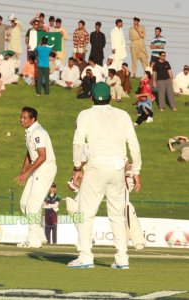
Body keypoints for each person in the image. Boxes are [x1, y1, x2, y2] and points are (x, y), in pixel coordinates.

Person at [67, 82, 142, 269]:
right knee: (117, 215)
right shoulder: (123, 115)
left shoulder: (85, 114)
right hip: (118, 167)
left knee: (85, 213)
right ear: (110, 96)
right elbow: (134, 144)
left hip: (96, 166)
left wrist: (77, 167)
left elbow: (78, 143)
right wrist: (136, 171)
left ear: (91, 96)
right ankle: (122, 259)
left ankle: (85, 257)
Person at [15, 107, 57, 248]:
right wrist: (23, 172)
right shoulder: (29, 132)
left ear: (33, 119)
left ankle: (33, 241)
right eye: (21, 117)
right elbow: (29, 153)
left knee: (33, 206)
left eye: (25, 117)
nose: (21, 120)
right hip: (37, 168)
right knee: (24, 203)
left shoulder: (38, 132)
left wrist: (27, 173)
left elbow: (42, 156)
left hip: (45, 168)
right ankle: (40, 235)